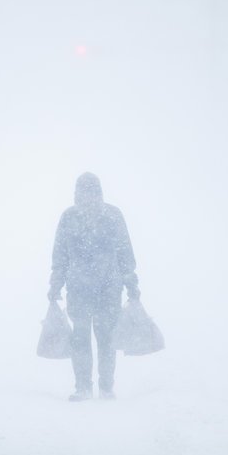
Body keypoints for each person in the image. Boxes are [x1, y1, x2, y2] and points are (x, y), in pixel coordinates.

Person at [48, 172, 139, 401]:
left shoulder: (113, 216)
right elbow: (60, 257)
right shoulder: (69, 217)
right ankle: (83, 388)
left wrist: (132, 285)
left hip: (108, 289)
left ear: (98, 192)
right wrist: (55, 286)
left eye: (89, 191)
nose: (85, 196)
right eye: (81, 191)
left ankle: (106, 387)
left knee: (106, 338)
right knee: (80, 339)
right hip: (79, 290)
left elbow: (125, 253)